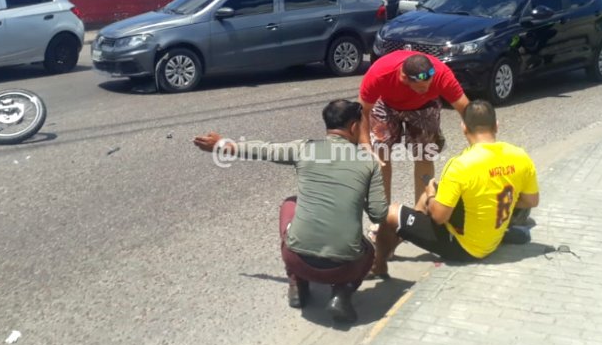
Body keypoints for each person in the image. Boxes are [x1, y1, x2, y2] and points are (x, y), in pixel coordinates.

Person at [192, 99, 385, 324]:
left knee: (289, 204)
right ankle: (342, 293)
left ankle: (297, 283)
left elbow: (264, 150)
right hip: (345, 267)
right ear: (354, 127)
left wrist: (222, 144)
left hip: (296, 259)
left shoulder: (304, 148)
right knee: (368, 250)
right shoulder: (368, 163)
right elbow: (378, 214)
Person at [372, 100, 538, 278]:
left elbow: (439, 217)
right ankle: (401, 235)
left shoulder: (460, 165)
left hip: (466, 248)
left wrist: (430, 195)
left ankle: (378, 265)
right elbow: (531, 201)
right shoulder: (520, 156)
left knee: (391, 213)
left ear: (463, 127)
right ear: (496, 126)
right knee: (436, 191)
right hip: (493, 237)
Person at [359, 51, 470, 204]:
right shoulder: (380, 73)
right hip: (387, 104)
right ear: (403, 78)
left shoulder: (441, 74)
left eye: (429, 85)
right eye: (421, 87)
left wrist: (477, 143)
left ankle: (420, 212)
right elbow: (362, 111)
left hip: (424, 106)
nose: (426, 88)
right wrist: (366, 147)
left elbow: (465, 108)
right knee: (380, 155)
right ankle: (383, 215)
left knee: (425, 155)